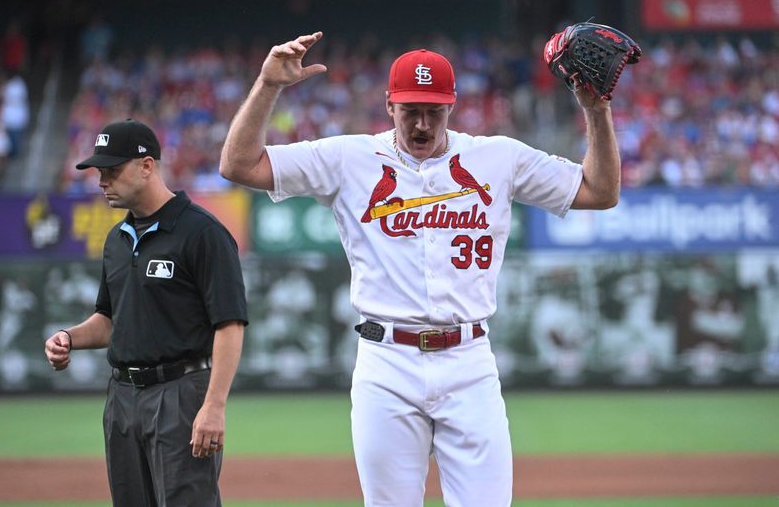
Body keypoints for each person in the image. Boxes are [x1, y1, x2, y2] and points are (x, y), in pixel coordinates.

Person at [219, 32, 620, 506]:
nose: (423, 123)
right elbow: (238, 165)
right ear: (389, 105)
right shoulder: (350, 157)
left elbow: (600, 191)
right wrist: (268, 85)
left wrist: (597, 110)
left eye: (435, 110)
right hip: (386, 362)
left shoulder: (498, 157)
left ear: (453, 106)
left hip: (469, 360)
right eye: (411, 110)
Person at [45, 118, 248, 507]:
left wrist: (214, 405)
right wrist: (70, 337)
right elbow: (108, 320)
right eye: (99, 172)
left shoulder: (202, 232)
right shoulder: (116, 239)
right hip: (121, 396)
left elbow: (230, 324)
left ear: (147, 165)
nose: (102, 181)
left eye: (111, 170)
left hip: (180, 394)